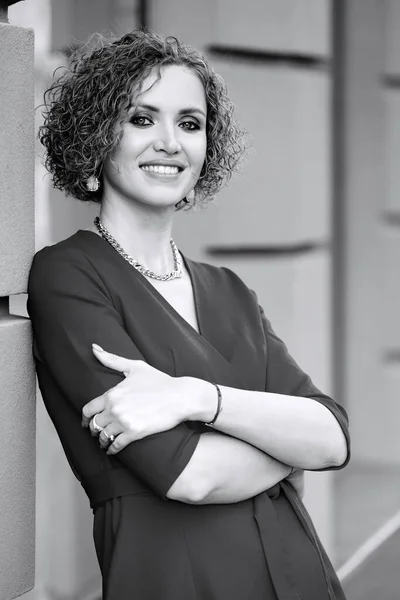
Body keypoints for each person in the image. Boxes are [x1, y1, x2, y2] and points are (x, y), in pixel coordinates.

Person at [28, 30, 350, 600]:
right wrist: (283, 441)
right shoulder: (68, 275)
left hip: (298, 573)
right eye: (142, 119)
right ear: (96, 135)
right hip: (174, 578)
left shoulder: (229, 289)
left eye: (190, 123)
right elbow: (189, 475)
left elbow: (331, 438)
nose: (170, 142)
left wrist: (198, 398)